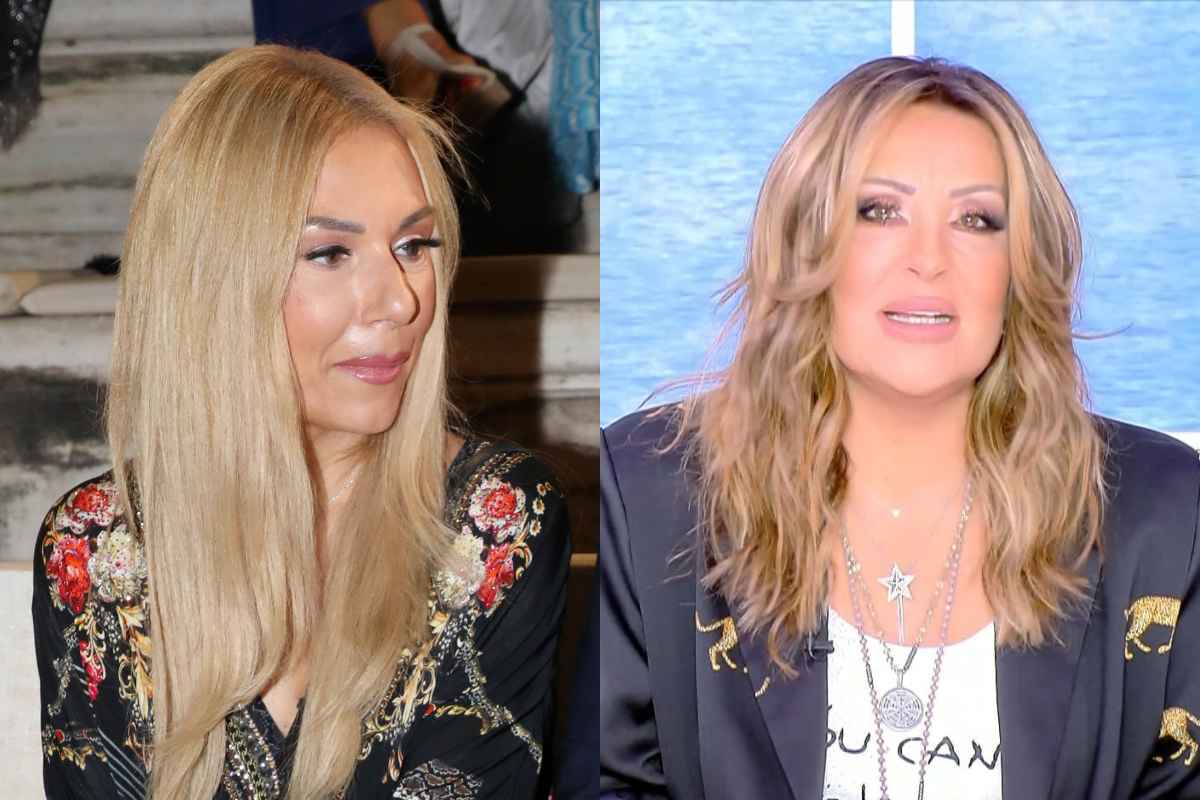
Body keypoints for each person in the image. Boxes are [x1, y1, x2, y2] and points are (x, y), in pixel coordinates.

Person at [598, 56, 1200, 800]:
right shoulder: (648, 492)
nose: (928, 261)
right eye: (880, 210)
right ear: (806, 240)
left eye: (976, 220)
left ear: (1021, 268)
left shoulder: (1164, 511)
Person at [32, 45, 569, 799]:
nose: (401, 300)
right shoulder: (93, 550)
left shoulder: (495, 524)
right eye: (330, 253)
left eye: (413, 245)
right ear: (214, 280)